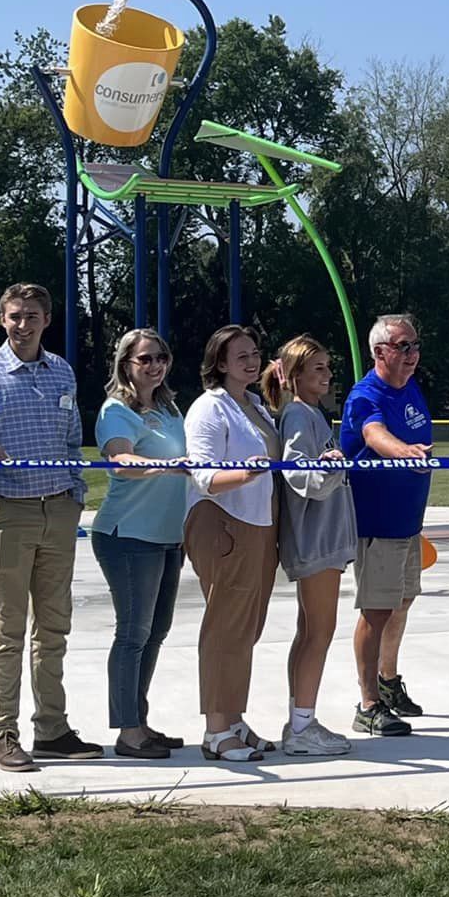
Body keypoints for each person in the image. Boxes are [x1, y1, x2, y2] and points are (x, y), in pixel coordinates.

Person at [0, 281, 99, 773]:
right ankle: (5, 733)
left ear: (47, 320)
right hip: (5, 508)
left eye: (32, 316)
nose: (23, 324)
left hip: (57, 508)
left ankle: (52, 728)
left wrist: (75, 492)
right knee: (8, 628)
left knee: (54, 627)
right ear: (2, 319)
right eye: (15, 315)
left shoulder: (61, 371)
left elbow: (72, 438)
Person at [89, 328, 191, 760]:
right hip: (128, 535)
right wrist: (167, 466)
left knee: (155, 633)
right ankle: (128, 731)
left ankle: (140, 722)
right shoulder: (117, 410)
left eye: (161, 357)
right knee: (133, 634)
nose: (155, 366)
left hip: (168, 536)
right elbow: (120, 459)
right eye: (144, 359)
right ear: (125, 365)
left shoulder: (169, 408)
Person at [183, 324, 281, 761]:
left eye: (255, 353)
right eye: (241, 355)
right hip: (222, 521)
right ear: (219, 363)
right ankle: (216, 729)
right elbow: (203, 476)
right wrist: (246, 473)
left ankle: (234, 717)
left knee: (247, 627)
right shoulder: (210, 408)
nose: (251, 361)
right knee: (225, 627)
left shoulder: (255, 405)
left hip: (259, 521)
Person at [341, 313, 437, 736]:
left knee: (401, 603)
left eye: (415, 345)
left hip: (408, 523)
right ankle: (368, 704)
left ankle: (388, 681)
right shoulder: (366, 394)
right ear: (379, 352)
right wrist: (404, 452)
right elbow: (374, 433)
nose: (412, 354)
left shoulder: (409, 386)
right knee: (376, 610)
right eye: (403, 347)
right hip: (378, 524)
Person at [262, 334, 357, 757]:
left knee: (310, 632)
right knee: (319, 631)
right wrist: (330, 468)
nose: (328, 374)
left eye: (328, 367)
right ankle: (302, 727)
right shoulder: (299, 415)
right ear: (295, 375)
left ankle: (301, 720)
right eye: (318, 368)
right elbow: (301, 477)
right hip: (315, 540)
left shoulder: (311, 413)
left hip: (322, 538)